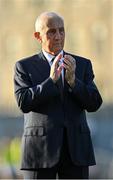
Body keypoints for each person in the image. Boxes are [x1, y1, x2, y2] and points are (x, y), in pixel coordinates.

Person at [14, 12, 102, 179]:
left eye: (61, 31)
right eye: (51, 32)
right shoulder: (24, 66)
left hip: (76, 151)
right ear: (38, 36)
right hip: (39, 152)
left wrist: (74, 82)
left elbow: (95, 103)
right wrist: (51, 80)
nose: (58, 36)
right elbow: (23, 102)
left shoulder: (82, 64)